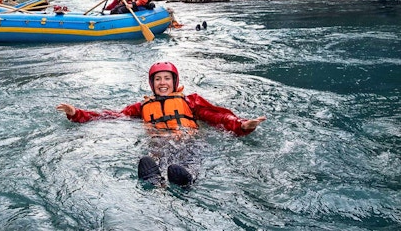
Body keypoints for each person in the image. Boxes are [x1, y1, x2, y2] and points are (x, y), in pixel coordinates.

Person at [56, 62, 266, 187]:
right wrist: (77, 114)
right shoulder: (142, 106)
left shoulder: (190, 101)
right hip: (159, 142)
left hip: (187, 139)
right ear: (152, 84)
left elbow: (217, 117)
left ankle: (187, 179)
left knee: (186, 157)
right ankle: (156, 181)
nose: (162, 82)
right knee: (155, 155)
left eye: (167, 78)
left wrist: (241, 126)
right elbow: (111, 116)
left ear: (174, 82)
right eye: (157, 79)